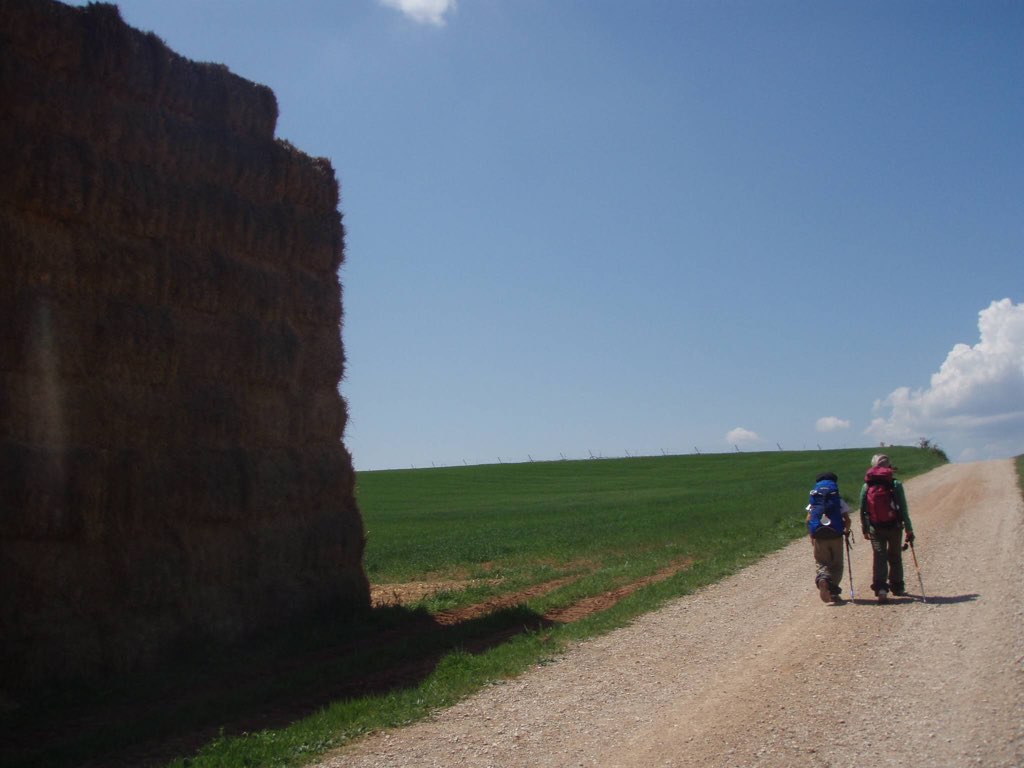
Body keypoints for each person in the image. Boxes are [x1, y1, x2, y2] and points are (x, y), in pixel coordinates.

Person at [859, 454, 915, 603]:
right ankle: (897, 586)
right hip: (895, 526)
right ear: (889, 466)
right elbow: (903, 509)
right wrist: (909, 529)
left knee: (879, 556)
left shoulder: (867, 485)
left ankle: (881, 589)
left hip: (875, 527)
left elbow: (863, 508)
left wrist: (865, 528)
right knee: (895, 556)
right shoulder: (895, 484)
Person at [806, 471, 851, 603]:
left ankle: (823, 579)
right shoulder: (837, 499)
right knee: (837, 565)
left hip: (819, 535)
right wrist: (846, 531)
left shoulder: (815, 499)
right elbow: (847, 519)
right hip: (836, 534)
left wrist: (811, 535)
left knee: (821, 562)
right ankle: (833, 592)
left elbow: (808, 519)